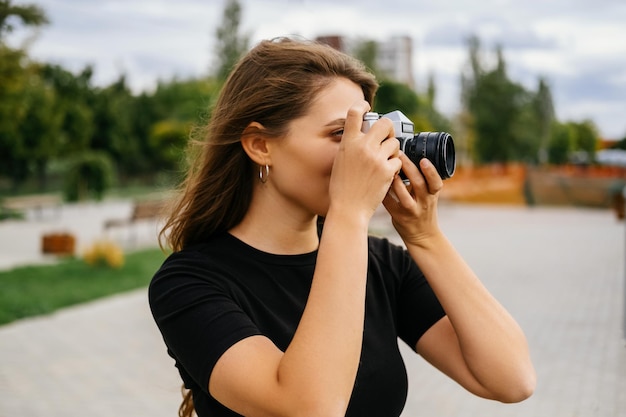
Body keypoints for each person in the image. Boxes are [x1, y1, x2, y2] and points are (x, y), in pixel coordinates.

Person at [148, 37, 536, 417]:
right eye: (340, 134)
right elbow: (308, 408)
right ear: (260, 145)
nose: (363, 151)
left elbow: (511, 379)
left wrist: (425, 237)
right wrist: (349, 212)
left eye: (368, 132)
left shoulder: (380, 264)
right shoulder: (189, 284)